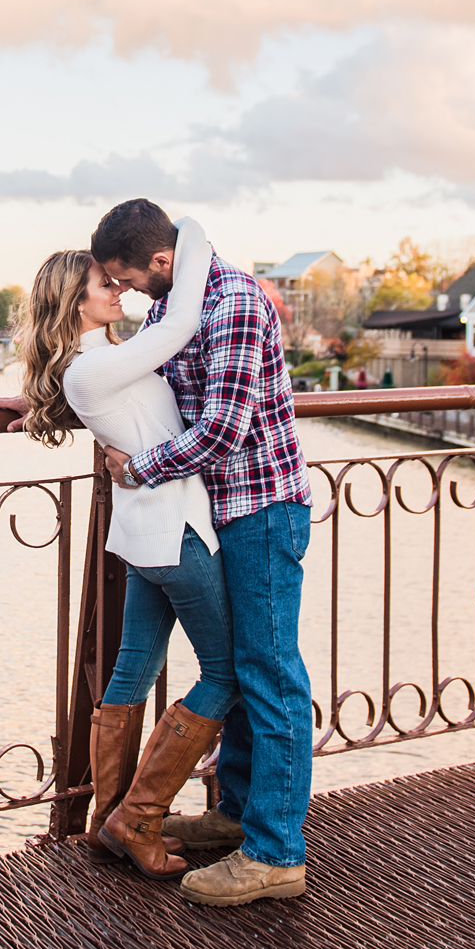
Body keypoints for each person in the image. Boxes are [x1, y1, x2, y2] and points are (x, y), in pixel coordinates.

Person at [90, 198, 312, 908]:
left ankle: (276, 853)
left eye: (126, 279)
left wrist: (137, 467)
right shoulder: (171, 308)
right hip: (223, 511)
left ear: (161, 262)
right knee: (247, 665)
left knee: (272, 674)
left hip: (262, 509)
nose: (123, 294)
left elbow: (221, 431)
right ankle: (238, 812)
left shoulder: (237, 303)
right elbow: (134, 385)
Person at [12, 218, 236, 880]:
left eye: (113, 279)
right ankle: (136, 815)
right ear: (71, 302)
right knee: (225, 671)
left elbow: (79, 392)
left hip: (147, 534)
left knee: (133, 671)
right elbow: (175, 330)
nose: (115, 287)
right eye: (100, 283)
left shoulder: (95, 364)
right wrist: (191, 236)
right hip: (174, 529)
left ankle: (110, 818)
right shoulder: (97, 368)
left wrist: (25, 403)